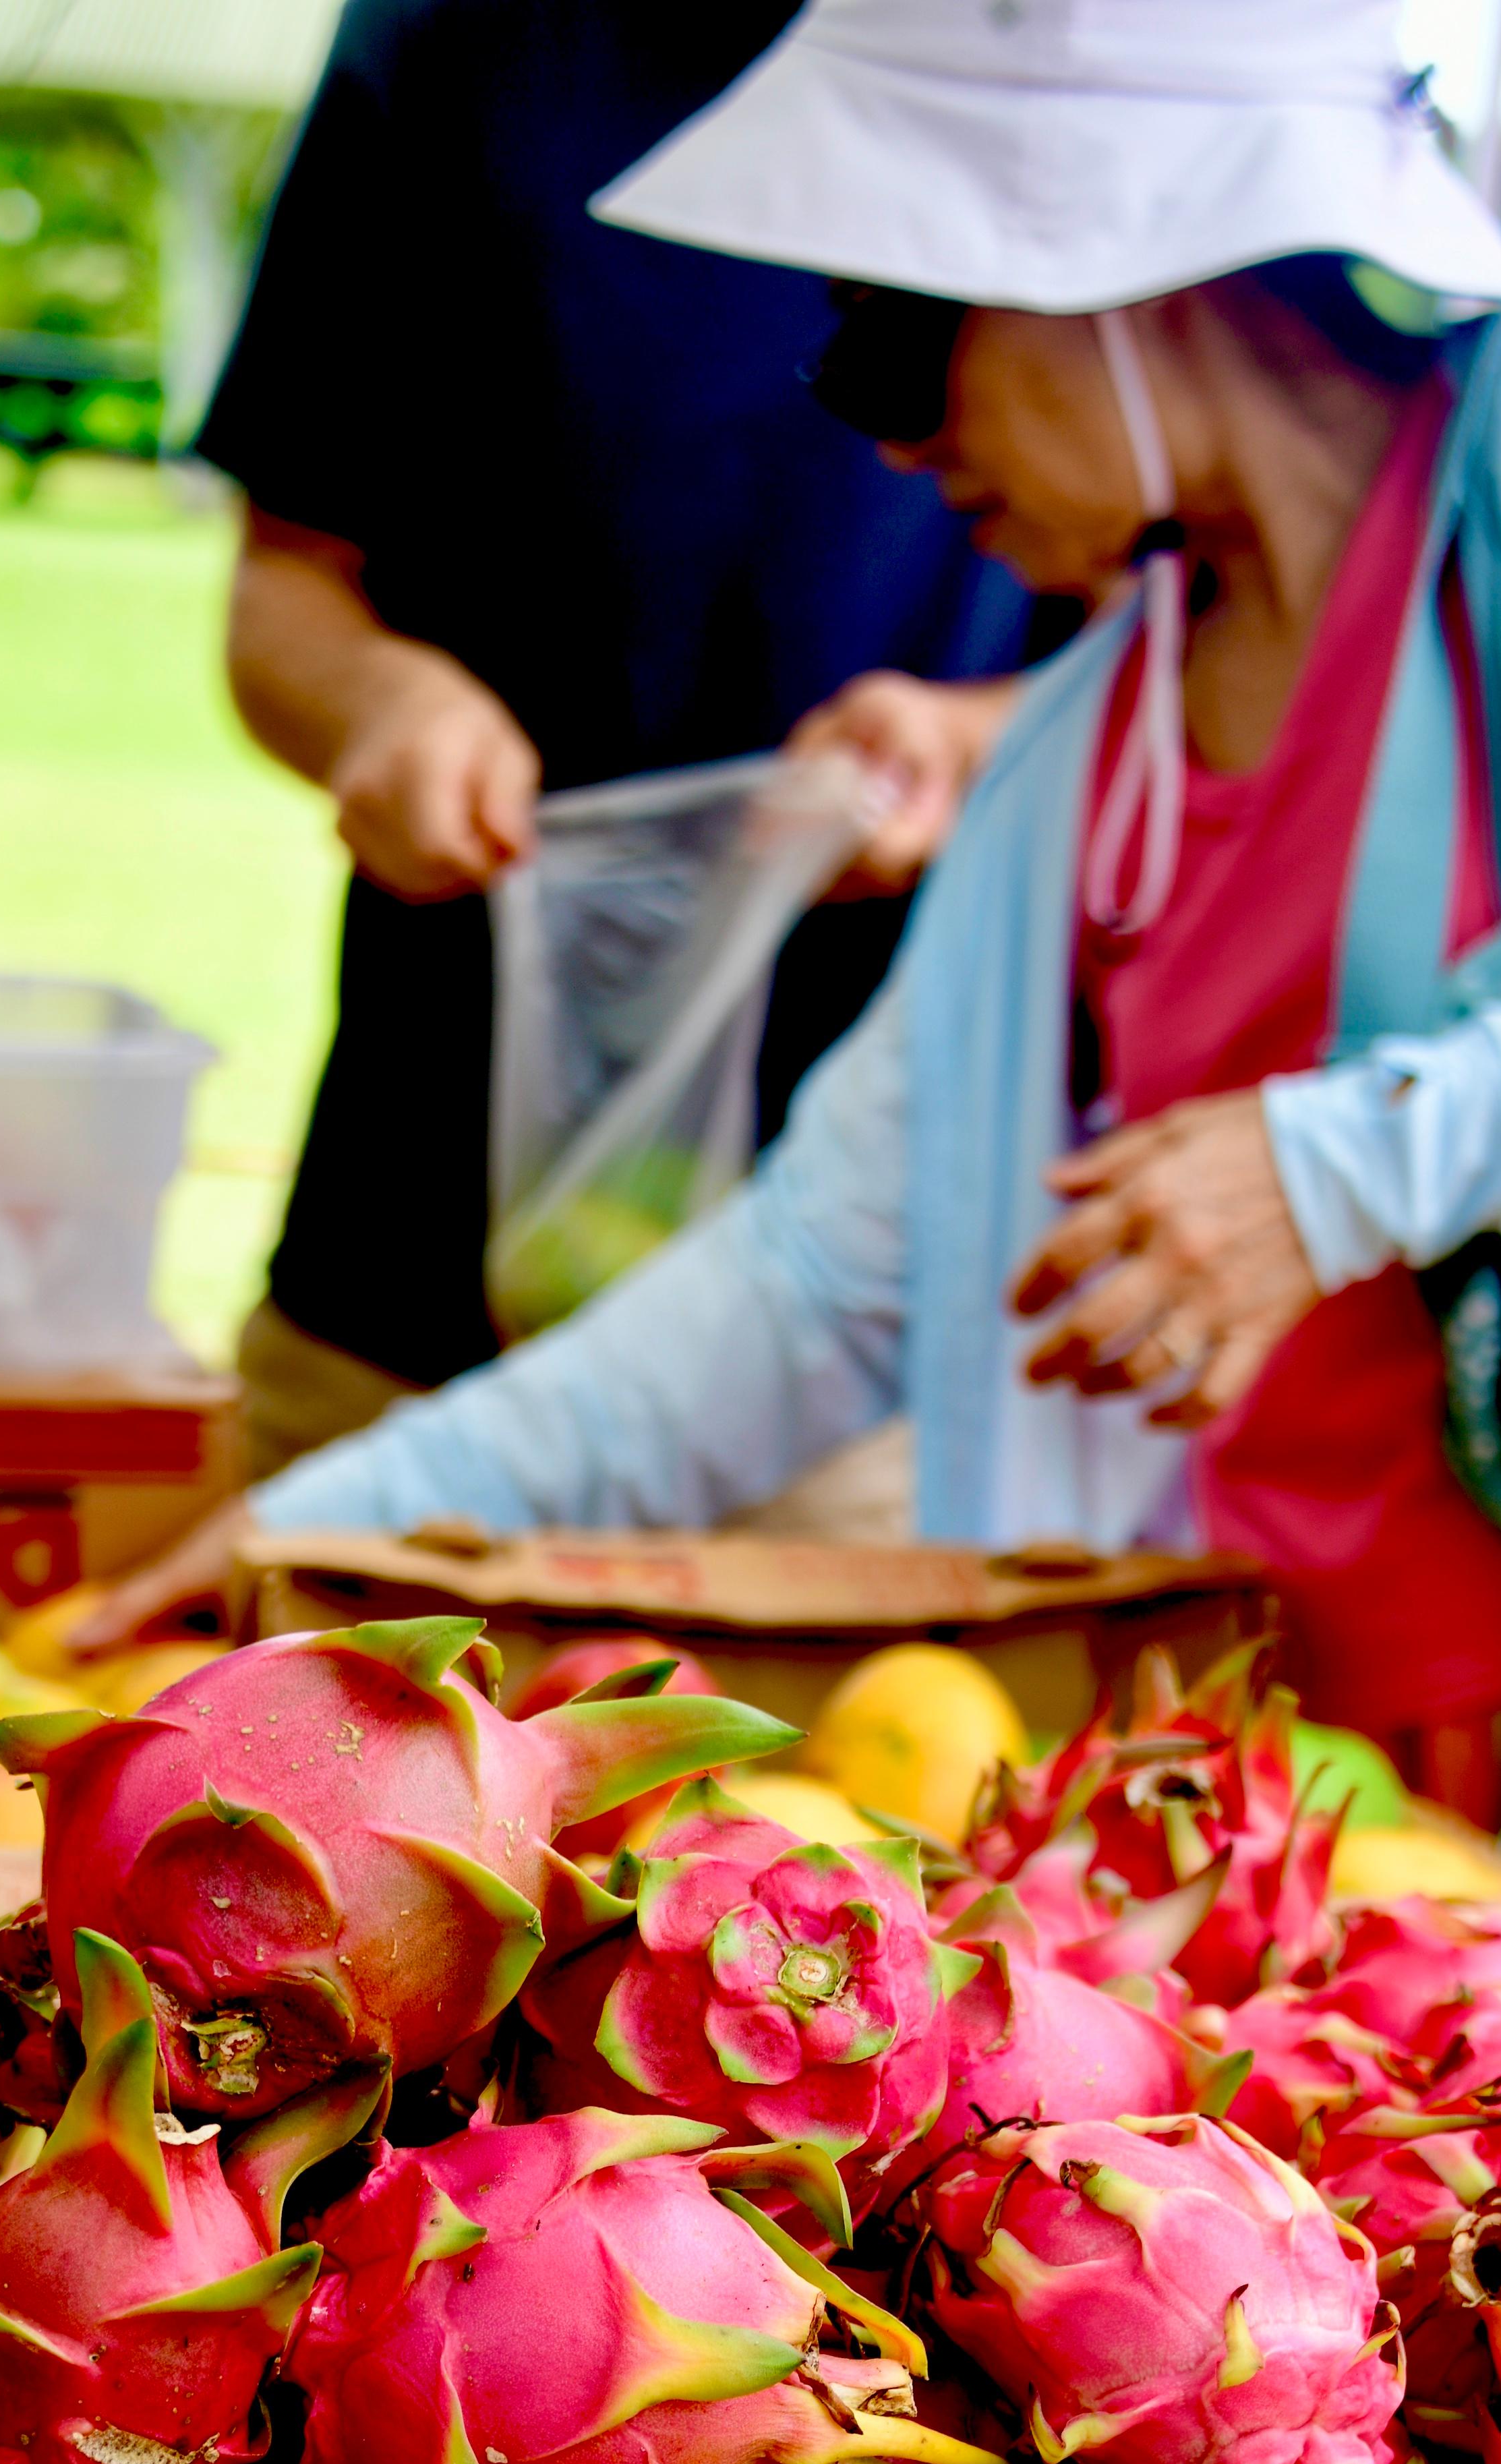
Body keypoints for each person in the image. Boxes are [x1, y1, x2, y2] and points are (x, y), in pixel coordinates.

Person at [109, 0, 1501, 1884]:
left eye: (890, 338)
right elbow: (813, 1287)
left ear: (1111, 251)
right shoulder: (1089, 735)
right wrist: (321, 1546)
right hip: (1310, 1820)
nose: (881, 443)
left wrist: (1335, 1163)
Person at [189, 0, 1036, 1459]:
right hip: (404, 1297)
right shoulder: (445, 44)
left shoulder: (1087, 62)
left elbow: (1248, 629)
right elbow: (283, 591)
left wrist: (974, 745)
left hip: (878, 1366)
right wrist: (388, 703)